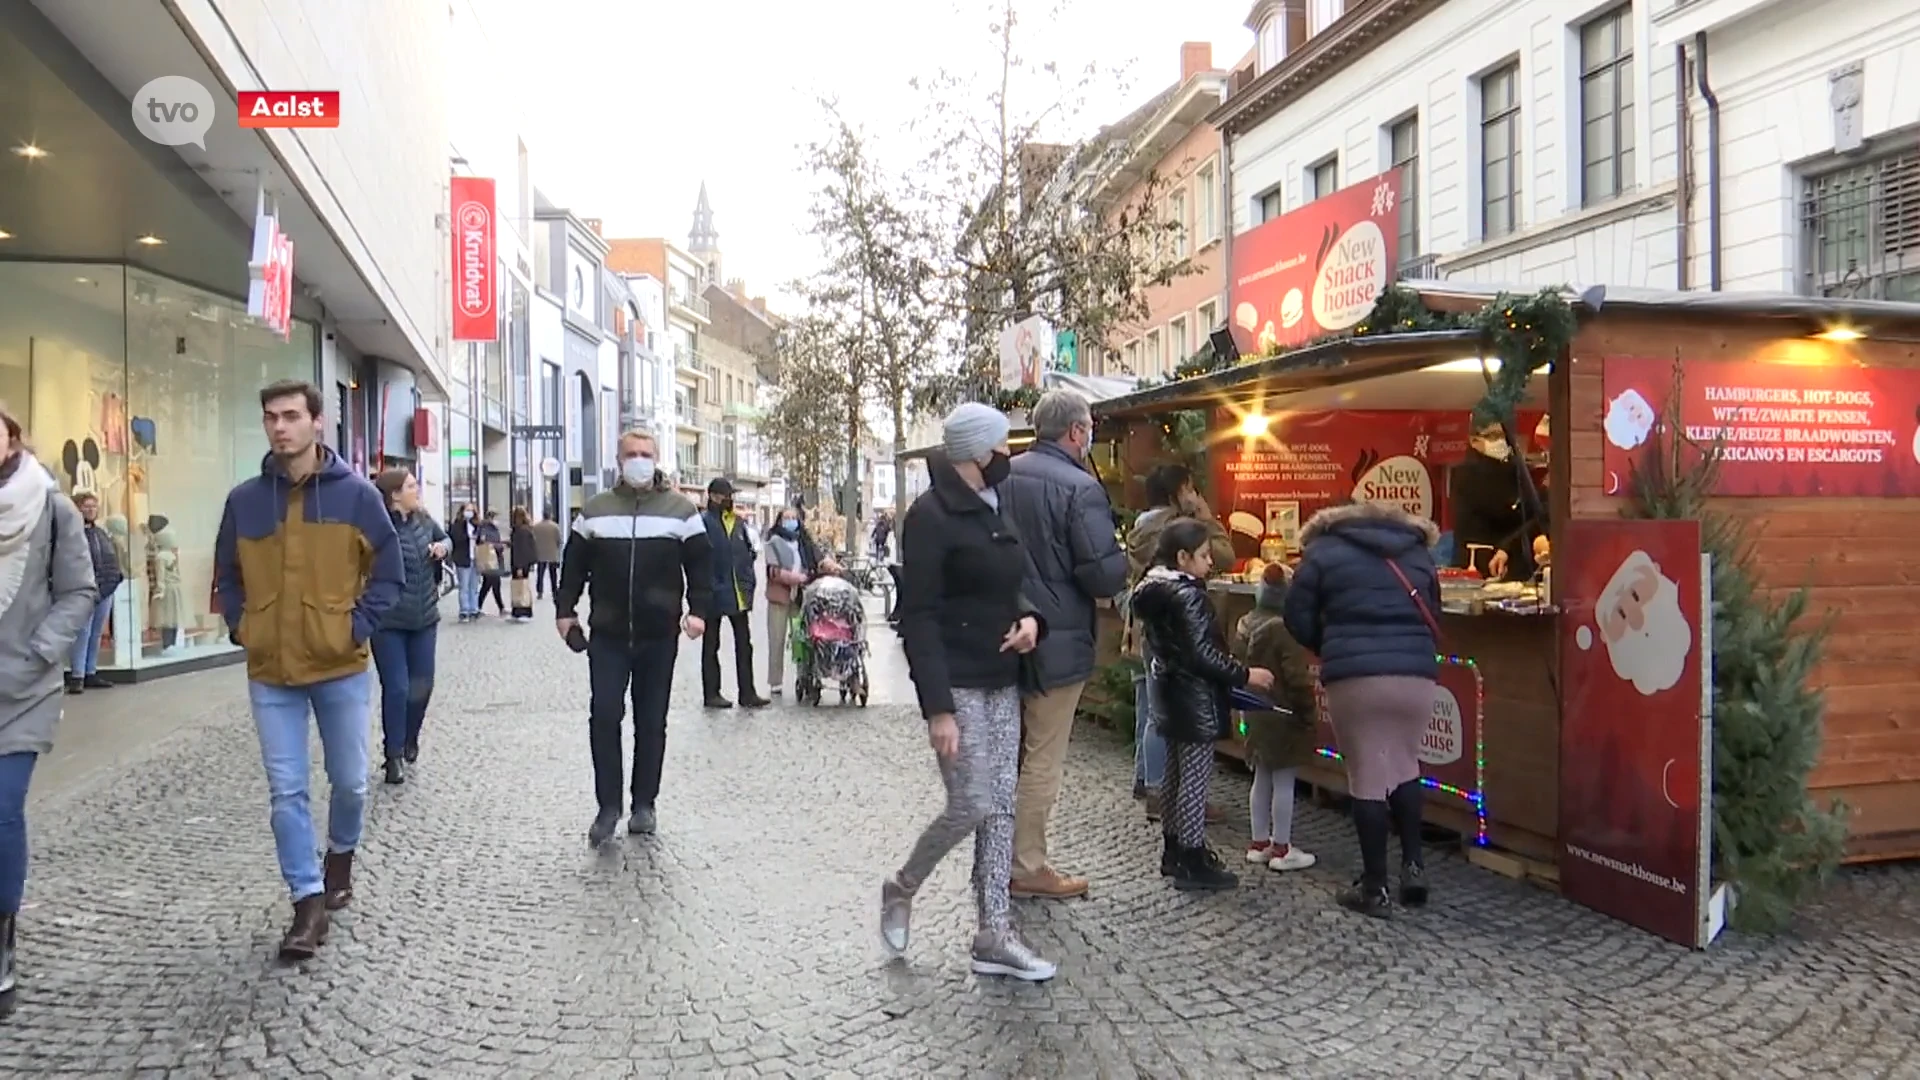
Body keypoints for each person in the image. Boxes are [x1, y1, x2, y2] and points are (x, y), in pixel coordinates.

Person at [214, 380, 402, 959]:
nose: (280, 426)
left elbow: (391, 573)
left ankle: (340, 854)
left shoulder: (358, 497)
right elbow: (227, 577)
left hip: (339, 664)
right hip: (271, 669)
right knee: (286, 791)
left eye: (291, 416)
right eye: (270, 417)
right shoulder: (245, 500)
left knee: (350, 781)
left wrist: (353, 627)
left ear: (317, 423)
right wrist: (244, 626)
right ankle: (307, 903)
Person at [881, 402, 1055, 981]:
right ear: (979, 453)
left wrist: (1031, 621)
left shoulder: (995, 504)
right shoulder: (931, 516)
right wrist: (938, 709)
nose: (1008, 455)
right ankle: (903, 885)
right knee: (972, 802)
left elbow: (1015, 583)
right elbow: (920, 615)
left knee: (1002, 808)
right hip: (956, 683)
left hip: (1002, 676)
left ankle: (994, 932)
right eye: (1003, 446)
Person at [1282, 499, 1440, 918]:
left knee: (1367, 774)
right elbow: (1434, 611)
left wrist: (1330, 645)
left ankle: (1375, 888)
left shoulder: (1323, 551)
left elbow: (1295, 614)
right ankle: (1413, 866)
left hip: (1356, 677)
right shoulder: (1418, 551)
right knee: (1406, 765)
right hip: (1417, 675)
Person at [999, 389, 1128, 901]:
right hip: (1058, 636)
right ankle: (1027, 864)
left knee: (1007, 752)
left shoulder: (1000, 476)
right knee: (1042, 757)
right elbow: (1101, 573)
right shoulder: (1081, 488)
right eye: (1089, 428)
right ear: (1077, 432)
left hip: (1002, 631)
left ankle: (997, 858)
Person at [556, 427, 711, 845]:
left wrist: (698, 612)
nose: (639, 459)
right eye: (631, 453)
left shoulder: (681, 511)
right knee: (605, 716)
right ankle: (608, 807)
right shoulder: (596, 510)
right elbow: (574, 565)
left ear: (656, 457)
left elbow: (700, 567)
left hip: (658, 634)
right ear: (619, 460)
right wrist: (565, 611)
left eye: (646, 453)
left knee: (651, 721)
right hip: (607, 633)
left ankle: (645, 803)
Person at [0, 405, 97, 1018]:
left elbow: (80, 590)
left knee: (2, 810)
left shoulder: (50, 508)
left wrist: (40, 653)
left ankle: (1, 934)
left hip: (20, 689)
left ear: (12, 438)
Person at [1131, 519, 1273, 892]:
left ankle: (1174, 850)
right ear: (1183, 557)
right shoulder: (1186, 595)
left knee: (1176, 775)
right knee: (1193, 779)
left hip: (1169, 691)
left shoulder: (1153, 588)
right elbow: (1202, 654)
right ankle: (1192, 857)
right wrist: (1245, 676)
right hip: (1193, 697)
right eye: (1205, 556)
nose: (1211, 563)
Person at [1122, 464, 1234, 823]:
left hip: (1142, 623)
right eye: (1190, 487)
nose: (1195, 494)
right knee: (1162, 707)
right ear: (1177, 492)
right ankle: (1161, 792)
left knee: (1148, 699)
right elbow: (1225, 555)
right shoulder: (1177, 529)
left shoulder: (1143, 525)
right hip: (1171, 624)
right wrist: (1206, 515)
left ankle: (1146, 778)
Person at [1231, 562, 1319, 872]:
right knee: (1284, 781)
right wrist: (1308, 712)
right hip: (1283, 712)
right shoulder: (1285, 630)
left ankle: (1258, 843)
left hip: (1254, 709)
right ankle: (1282, 848)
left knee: (1261, 776)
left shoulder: (1244, 623)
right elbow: (1296, 678)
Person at [369, 468, 449, 785]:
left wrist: (443, 547)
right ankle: (393, 754)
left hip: (424, 618)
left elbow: (445, 538)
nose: (417, 490)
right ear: (394, 495)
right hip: (388, 622)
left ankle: (410, 736)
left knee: (422, 686)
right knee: (398, 687)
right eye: (412, 486)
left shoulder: (424, 521)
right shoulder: (378, 528)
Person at [700, 478, 768, 709]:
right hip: (713, 593)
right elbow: (696, 558)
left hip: (738, 592)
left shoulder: (738, 523)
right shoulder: (703, 523)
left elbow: (748, 553)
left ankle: (747, 692)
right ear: (713, 496)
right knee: (711, 645)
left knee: (744, 644)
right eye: (726, 495)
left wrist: (749, 580)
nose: (731, 500)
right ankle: (711, 693)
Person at [1452, 419, 1535, 580]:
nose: (1501, 442)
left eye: (1504, 436)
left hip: (1505, 563)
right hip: (1482, 566)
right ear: (1474, 441)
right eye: (1493, 436)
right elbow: (1507, 511)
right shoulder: (1470, 473)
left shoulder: (1510, 470)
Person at [64, 492, 124, 694]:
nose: (91, 509)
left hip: (105, 589)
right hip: (84, 590)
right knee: (83, 633)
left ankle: (90, 671)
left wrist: (116, 576)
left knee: (95, 633)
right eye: (86, 506)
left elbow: (109, 558)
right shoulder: (71, 533)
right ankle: (77, 675)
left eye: (94, 506)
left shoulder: (100, 533)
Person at [763, 508, 809, 696]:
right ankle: (775, 681)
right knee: (777, 639)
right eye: (786, 518)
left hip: (798, 598)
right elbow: (772, 572)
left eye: (794, 518)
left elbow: (814, 560)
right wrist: (795, 577)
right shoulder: (773, 541)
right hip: (779, 598)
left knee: (800, 639)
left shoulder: (802, 542)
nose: (790, 521)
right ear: (780, 521)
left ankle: (804, 677)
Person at [449, 503, 480, 622]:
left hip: (475, 558)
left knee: (474, 586)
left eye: (472, 510)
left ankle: (474, 609)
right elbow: (455, 539)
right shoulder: (457, 525)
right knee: (464, 586)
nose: (469, 513)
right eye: (467, 510)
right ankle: (464, 611)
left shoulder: (476, 525)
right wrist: (468, 537)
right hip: (463, 558)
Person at [474, 509, 505, 616]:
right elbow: (485, 544)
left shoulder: (492, 528)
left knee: (489, 584)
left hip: (494, 559)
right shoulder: (485, 528)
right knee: (492, 584)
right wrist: (499, 546)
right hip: (490, 560)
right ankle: (500, 607)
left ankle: (478, 606)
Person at [508, 507, 537, 622]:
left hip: (519, 563)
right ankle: (520, 610)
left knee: (520, 587)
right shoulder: (526, 529)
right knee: (521, 586)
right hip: (524, 562)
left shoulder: (521, 531)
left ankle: (522, 611)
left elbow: (521, 550)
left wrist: (519, 566)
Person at [531, 511, 563, 600]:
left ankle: (540, 591)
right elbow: (559, 540)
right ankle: (554, 591)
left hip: (540, 553)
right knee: (553, 574)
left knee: (540, 574)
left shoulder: (536, 527)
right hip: (552, 553)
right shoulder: (555, 526)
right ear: (550, 515)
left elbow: (533, 539)